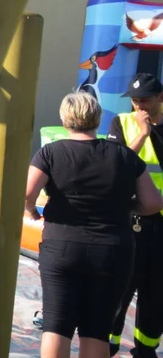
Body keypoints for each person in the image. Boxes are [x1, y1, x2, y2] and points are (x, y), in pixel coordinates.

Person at [27, 92, 163, 358]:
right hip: (112, 250)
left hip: (62, 248)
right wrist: (127, 206)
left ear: (65, 120)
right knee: (96, 330)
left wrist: (31, 212)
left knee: (56, 325)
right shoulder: (123, 155)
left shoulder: (51, 153)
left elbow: (27, 193)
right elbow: (152, 203)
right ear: (98, 119)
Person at [107, 74, 163, 357]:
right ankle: (107, 344)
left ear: (160, 98)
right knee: (120, 288)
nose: (139, 106)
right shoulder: (123, 123)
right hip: (135, 222)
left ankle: (146, 349)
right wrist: (142, 134)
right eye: (135, 100)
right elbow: (115, 169)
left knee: (157, 294)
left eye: (145, 100)